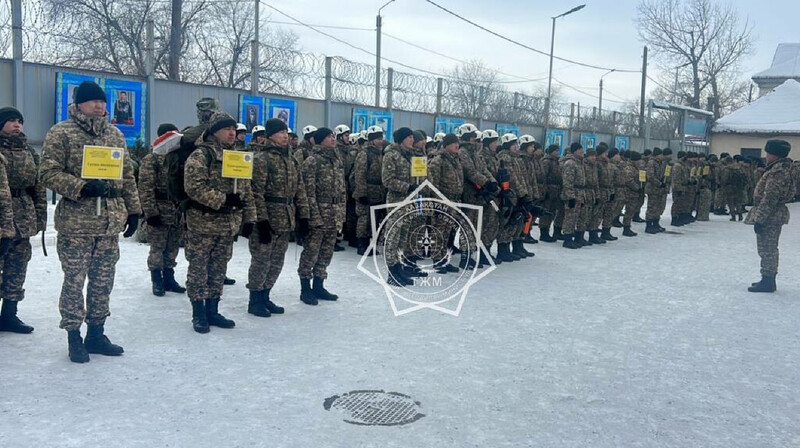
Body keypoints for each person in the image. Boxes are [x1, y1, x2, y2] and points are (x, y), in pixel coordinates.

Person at [39, 81, 141, 363]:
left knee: (102, 282)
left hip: (109, 223)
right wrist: (81, 186)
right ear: (79, 104)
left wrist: (133, 210)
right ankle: (74, 336)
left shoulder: (115, 134)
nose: (99, 106)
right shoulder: (62, 133)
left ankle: (96, 333)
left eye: (102, 101)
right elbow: (47, 173)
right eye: (93, 101)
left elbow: (127, 176)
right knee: (74, 282)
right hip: (77, 225)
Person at [183, 110, 256, 333]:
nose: (232, 133)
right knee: (199, 269)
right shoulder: (201, 156)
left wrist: (250, 218)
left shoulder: (238, 156)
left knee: (218, 269)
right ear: (215, 132)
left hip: (227, 225)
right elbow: (193, 187)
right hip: (203, 223)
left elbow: (246, 189)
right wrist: (223, 200)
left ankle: (212, 310)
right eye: (227, 129)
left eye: (234, 129)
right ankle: (198, 313)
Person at [247, 118, 309, 316]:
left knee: (277, 261)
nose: (285, 136)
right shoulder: (262, 158)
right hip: (268, 218)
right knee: (261, 260)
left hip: (286, 218)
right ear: (270, 135)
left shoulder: (291, 159)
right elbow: (255, 192)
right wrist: (261, 220)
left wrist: (304, 217)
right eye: (281, 132)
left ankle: (266, 295)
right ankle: (255, 300)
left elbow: (300, 190)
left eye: (287, 132)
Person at [0, 107, 43, 334]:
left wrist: (41, 217)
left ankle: (9, 314)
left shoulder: (29, 152)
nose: (17, 124)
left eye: (19, 121)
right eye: (11, 121)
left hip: (23, 216)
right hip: (1, 217)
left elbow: (38, 187)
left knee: (17, 267)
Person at [298, 127, 346, 305]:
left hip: (333, 214)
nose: (333, 139)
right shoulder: (312, 160)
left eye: (333, 136)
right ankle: (305, 288)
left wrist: (341, 213)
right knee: (311, 252)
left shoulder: (336, 160)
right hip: (318, 213)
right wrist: (312, 216)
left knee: (326, 253)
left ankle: (319, 285)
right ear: (319, 140)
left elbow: (342, 190)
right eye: (328, 137)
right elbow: (307, 191)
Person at [139, 123, 186, 297]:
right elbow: (145, 187)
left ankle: (169, 277)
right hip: (159, 207)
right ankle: (156, 279)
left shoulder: (177, 158)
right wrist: (151, 212)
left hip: (175, 209)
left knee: (172, 246)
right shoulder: (152, 159)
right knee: (157, 247)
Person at [745, 140, 795, 293]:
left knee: (768, 249)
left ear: (774, 154)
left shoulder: (778, 172)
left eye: (768, 153)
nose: (766, 156)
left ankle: (768, 281)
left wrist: (759, 219)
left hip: (770, 216)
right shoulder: (783, 169)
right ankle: (767, 278)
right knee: (768, 248)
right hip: (773, 214)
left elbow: (770, 198)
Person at [427, 133, 463, 273]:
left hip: (454, 200)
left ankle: (444, 259)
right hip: (443, 200)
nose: (457, 145)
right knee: (439, 231)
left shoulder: (455, 160)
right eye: (454, 143)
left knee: (447, 231)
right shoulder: (438, 160)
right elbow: (433, 183)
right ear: (446, 145)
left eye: (457, 143)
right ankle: (437, 260)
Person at [353, 125, 386, 256]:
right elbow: (359, 174)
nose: (380, 141)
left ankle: (370, 243)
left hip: (378, 191)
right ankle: (361, 244)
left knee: (374, 219)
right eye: (377, 139)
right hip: (367, 190)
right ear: (371, 140)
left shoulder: (381, 153)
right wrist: (362, 193)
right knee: (364, 219)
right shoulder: (364, 154)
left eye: (381, 138)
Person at [334, 124, 356, 251]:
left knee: (347, 211)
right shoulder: (336, 150)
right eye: (346, 135)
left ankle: (346, 234)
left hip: (347, 183)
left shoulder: (348, 150)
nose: (348, 138)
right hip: (339, 183)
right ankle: (334, 239)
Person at [560, 143, 586, 249]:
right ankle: (567, 239)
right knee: (570, 218)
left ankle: (572, 238)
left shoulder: (579, 163)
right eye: (580, 150)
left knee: (575, 217)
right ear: (575, 151)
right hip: (572, 193)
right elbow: (567, 182)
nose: (582, 152)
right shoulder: (570, 163)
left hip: (579, 193)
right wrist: (571, 197)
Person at [539, 144, 563, 242]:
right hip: (549, 190)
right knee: (546, 212)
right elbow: (543, 177)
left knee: (552, 212)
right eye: (555, 150)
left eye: (558, 150)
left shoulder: (557, 161)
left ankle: (548, 231)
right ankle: (543, 233)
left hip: (556, 190)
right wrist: (545, 191)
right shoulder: (547, 161)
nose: (557, 152)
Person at [620, 151, 642, 237]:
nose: (640, 162)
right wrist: (637, 188)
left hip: (634, 193)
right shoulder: (629, 168)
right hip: (630, 193)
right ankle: (626, 228)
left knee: (631, 210)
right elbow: (628, 180)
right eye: (639, 161)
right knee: (629, 211)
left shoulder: (635, 168)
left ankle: (627, 227)